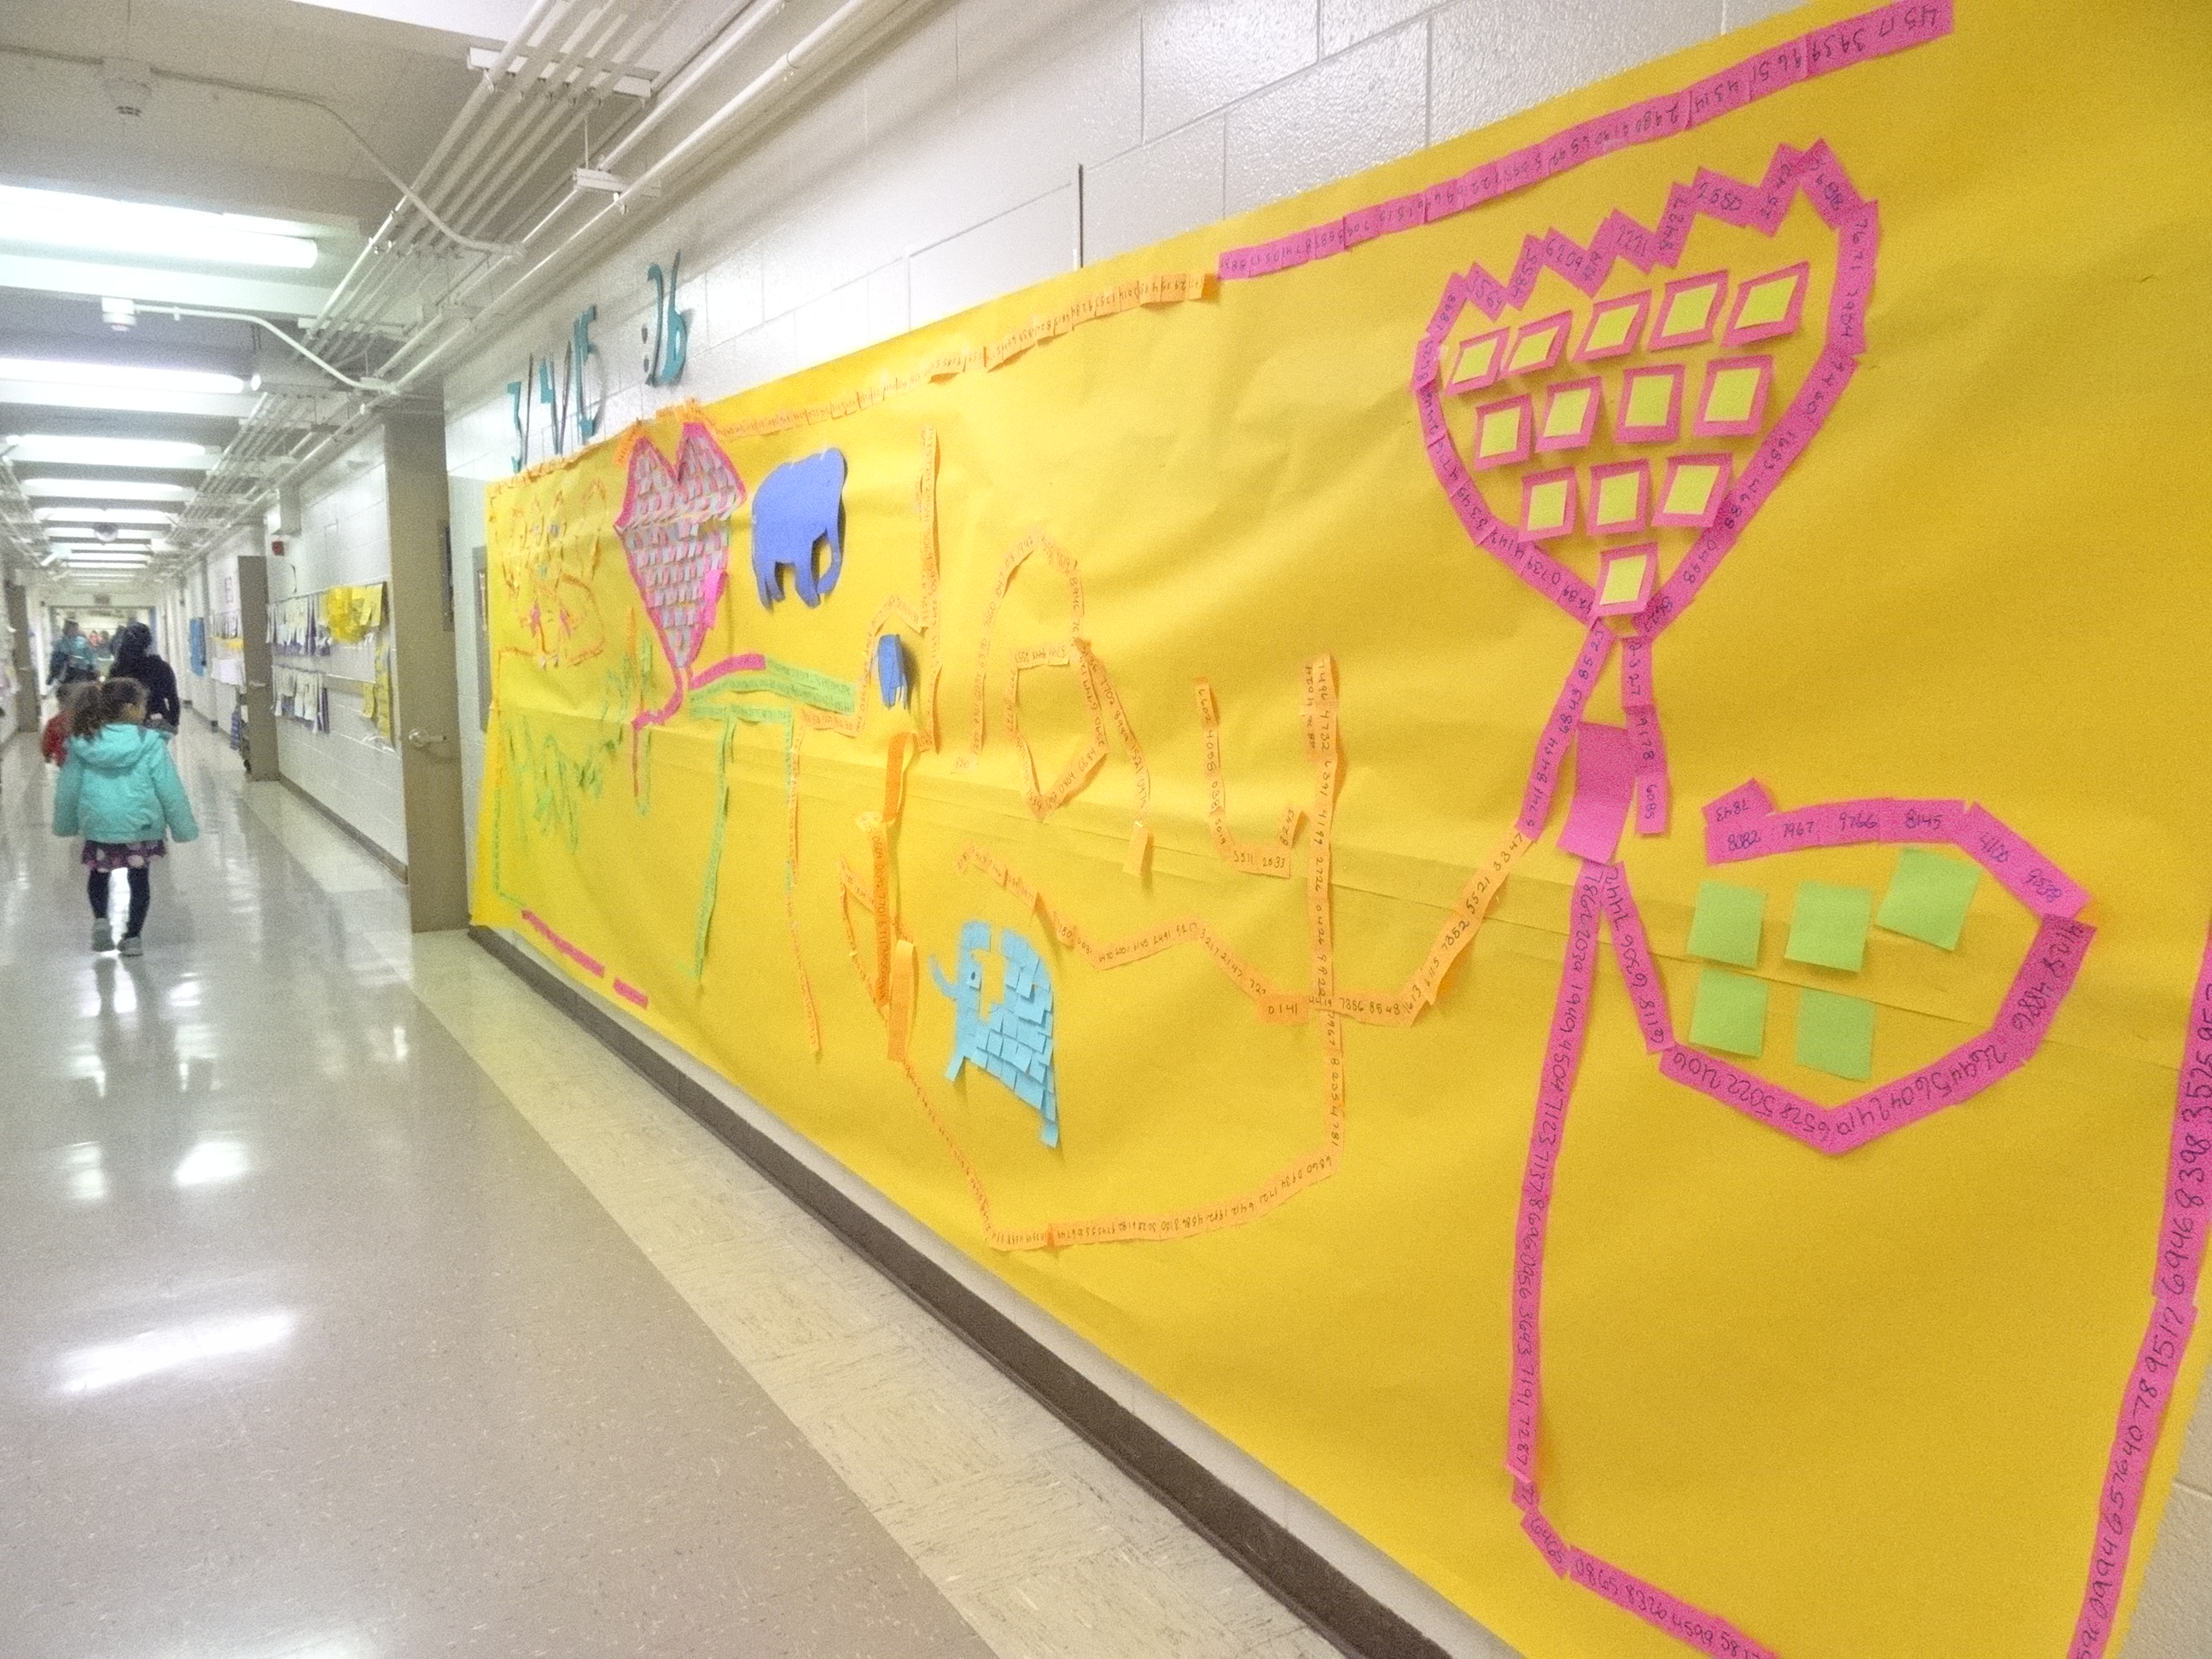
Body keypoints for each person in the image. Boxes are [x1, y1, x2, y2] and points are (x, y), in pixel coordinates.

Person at [53, 676, 199, 957]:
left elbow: (68, 788)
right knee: (138, 879)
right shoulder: (148, 741)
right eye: (143, 704)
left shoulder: (85, 741)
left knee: (99, 874)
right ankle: (132, 938)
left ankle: (100, 921)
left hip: (99, 824)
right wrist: (183, 828)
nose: (145, 710)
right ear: (130, 708)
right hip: (139, 825)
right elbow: (169, 787)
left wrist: (66, 824)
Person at [109, 621, 181, 730]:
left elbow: (109, 699)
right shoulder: (160, 667)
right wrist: (173, 723)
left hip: (124, 722)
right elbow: (173, 698)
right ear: (148, 643)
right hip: (155, 719)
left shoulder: (117, 668)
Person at [46, 619, 95, 688]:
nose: (73, 630)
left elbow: (90, 659)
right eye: (70, 628)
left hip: (81, 672)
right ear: (66, 628)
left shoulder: (83, 642)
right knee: (65, 691)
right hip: (64, 673)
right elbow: (54, 660)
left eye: (75, 628)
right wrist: (52, 674)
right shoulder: (59, 643)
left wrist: (80, 662)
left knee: (79, 691)